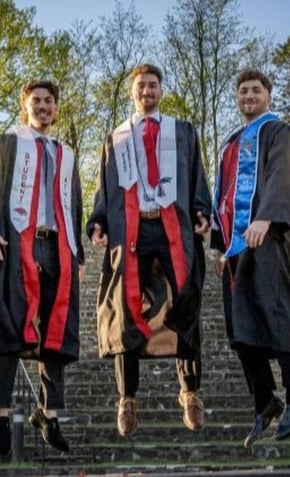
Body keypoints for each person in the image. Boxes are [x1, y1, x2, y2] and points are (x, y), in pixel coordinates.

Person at [87, 63, 212, 438]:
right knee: (126, 309)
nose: (147, 91)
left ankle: (190, 392)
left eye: (153, 85)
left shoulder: (183, 132)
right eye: (140, 86)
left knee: (186, 301)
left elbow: (197, 177)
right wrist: (98, 221)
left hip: (172, 223)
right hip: (133, 227)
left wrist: (201, 210)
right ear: (132, 92)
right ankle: (127, 399)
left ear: (161, 90)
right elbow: (104, 187)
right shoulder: (117, 138)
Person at [0, 79, 83, 455]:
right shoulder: (7, 144)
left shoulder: (66, 154)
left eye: (49, 101)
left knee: (56, 329)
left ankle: (49, 414)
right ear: (25, 106)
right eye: (35, 100)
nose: (43, 106)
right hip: (17, 242)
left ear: (56, 108)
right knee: (9, 326)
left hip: (57, 246)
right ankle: (0, 414)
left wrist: (77, 252)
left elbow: (74, 205)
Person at [211, 69, 290, 449]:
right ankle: (264, 400)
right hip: (237, 247)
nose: (249, 95)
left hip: (267, 236)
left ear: (268, 95)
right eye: (243, 91)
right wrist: (222, 244)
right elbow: (226, 193)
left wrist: (266, 219)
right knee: (241, 326)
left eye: (256, 90)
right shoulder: (231, 142)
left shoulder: (278, 132)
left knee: (277, 311)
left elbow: (282, 177)